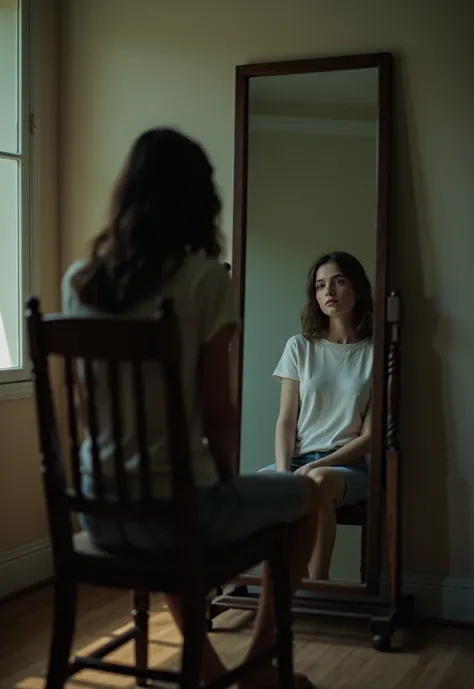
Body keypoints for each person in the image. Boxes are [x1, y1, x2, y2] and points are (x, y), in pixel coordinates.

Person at [61, 128, 320, 689]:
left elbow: (82, 407)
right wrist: (227, 486)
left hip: (98, 512)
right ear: (199, 200)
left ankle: (208, 671)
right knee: (309, 496)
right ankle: (260, 670)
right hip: (177, 515)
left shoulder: (79, 281)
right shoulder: (204, 279)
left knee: (170, 519)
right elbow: (219, 416)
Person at [262, 251, 373, 581]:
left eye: (338, 282)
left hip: (345, 467)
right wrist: (284, 472)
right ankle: (277, 588)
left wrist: (316, 466)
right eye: (321, 286)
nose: (329, 292)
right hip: (296, 461)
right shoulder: (299, 347)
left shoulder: (376, 352)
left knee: (318, 482)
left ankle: (316, 585)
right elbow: (286, 420)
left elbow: (370, 437)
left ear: (357, 288)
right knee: (251, 488)